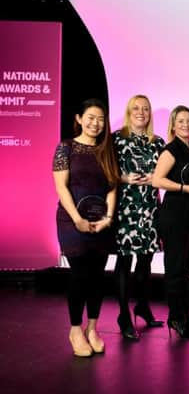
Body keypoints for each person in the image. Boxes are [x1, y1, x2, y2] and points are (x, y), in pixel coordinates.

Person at [52, 98, 119, 356]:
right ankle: (75, 329)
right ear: (79, 118)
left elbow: (112, 187)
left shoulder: (106, 149)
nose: (96, 123)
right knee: (80, 274)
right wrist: (77, 218)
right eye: (90, 117)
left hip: (101, 222)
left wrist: (109, 217)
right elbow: (61, 187)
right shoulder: (66, 147)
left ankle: (93, 328)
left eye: (101, 119)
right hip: (72, 221)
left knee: (98, 276)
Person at [152, 105, 189, 339]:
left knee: (186, 266)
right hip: (174, 212)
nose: (186, 125)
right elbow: (157, 180)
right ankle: (175, 318)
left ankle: (185, 315)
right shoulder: (170, 150)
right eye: (181, 121)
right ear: (173, 125)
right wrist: (186, 188)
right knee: (175, 268)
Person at [113, 95, 165, 340]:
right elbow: (106, 171)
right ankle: (123, 314)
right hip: (125, 207)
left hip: (150, 207)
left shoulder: (158, 142)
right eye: (136, 108)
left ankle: (142, 306)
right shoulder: (117, 139)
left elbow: (164, 174)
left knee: (145, 261)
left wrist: (153, 179)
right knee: (125, 262)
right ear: (128, 111)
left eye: (145, 108)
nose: (141, 112)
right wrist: (125, 178)